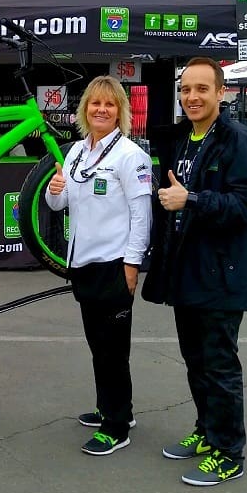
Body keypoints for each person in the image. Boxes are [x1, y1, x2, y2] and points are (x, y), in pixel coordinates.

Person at [141, 57, 247, 486]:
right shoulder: (184, 139)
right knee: (196, 361)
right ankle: (207, 432)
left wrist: (192, 200)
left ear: (220, 92)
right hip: (186, 271)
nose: (192, 97)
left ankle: (230, 451)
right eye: (186, 90)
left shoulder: (239, 141)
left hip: (222, 274)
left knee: (219, 363)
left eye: (201, 89)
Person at [44, 75, 151, 457]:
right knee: (98, 345)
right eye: (94, 104)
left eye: (109, 104)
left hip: (114, 264)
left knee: (112, 350)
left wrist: (132, 264)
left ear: (120, 111)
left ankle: (117, 426)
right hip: (84, 264)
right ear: (84, 110)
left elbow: (142, 216)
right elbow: (60, 204)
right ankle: (112, 408)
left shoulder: (130, 155)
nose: (101, 110)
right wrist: (53, 191)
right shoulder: (75, 152)